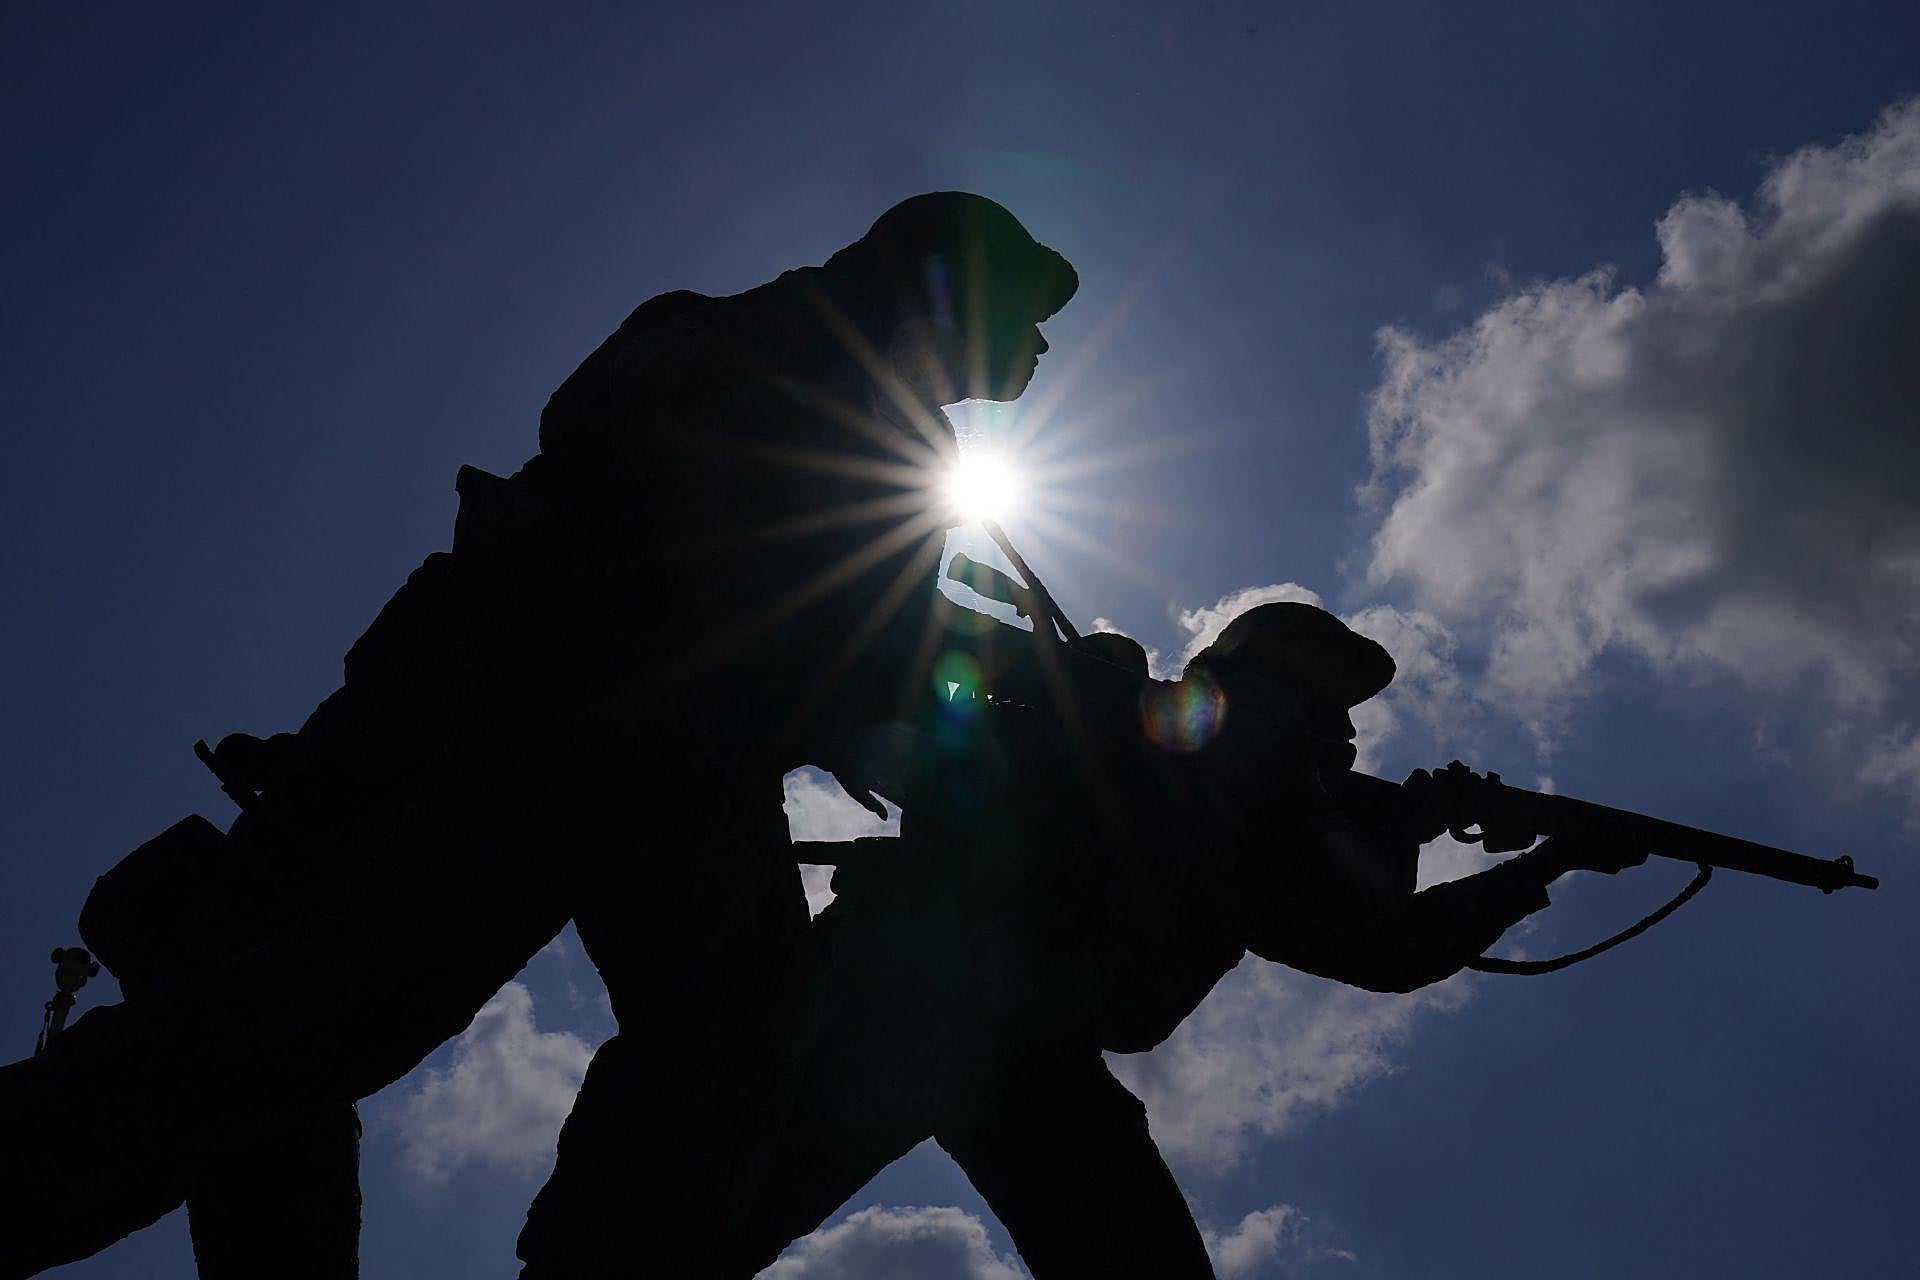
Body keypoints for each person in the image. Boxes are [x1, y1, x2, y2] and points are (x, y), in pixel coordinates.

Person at [0, 192, 1078, 1280]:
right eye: (1025, 308)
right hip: (634, 711)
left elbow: (847, 634)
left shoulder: (845, 394)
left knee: (361, 998)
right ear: (946, 289)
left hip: (560, 706)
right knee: (726, 1029)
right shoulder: (798, 363)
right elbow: (710, 530)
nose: (1037, 343)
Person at [732, 602, 1645, 1278]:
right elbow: (1376, 936)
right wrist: (1514, 858)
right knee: (686, 1217)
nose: (1344, 734)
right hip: (918, 1001)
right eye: (1324, 706)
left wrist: (1460, 837)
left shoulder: (1187, 745)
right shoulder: (1214, 756)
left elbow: (1351, 912)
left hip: (1006, 1035)